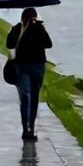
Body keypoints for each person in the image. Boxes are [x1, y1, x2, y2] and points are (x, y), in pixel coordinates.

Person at [4, 8, 52, 141]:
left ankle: (26, 129)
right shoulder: (39, 28)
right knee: (34, 97)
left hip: (21, 66)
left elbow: (9, 44)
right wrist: (41, 29)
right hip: (37, 66)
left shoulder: (17, 28)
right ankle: (31, 127)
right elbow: (48, 44)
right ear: (35, 17)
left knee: (25, 98)